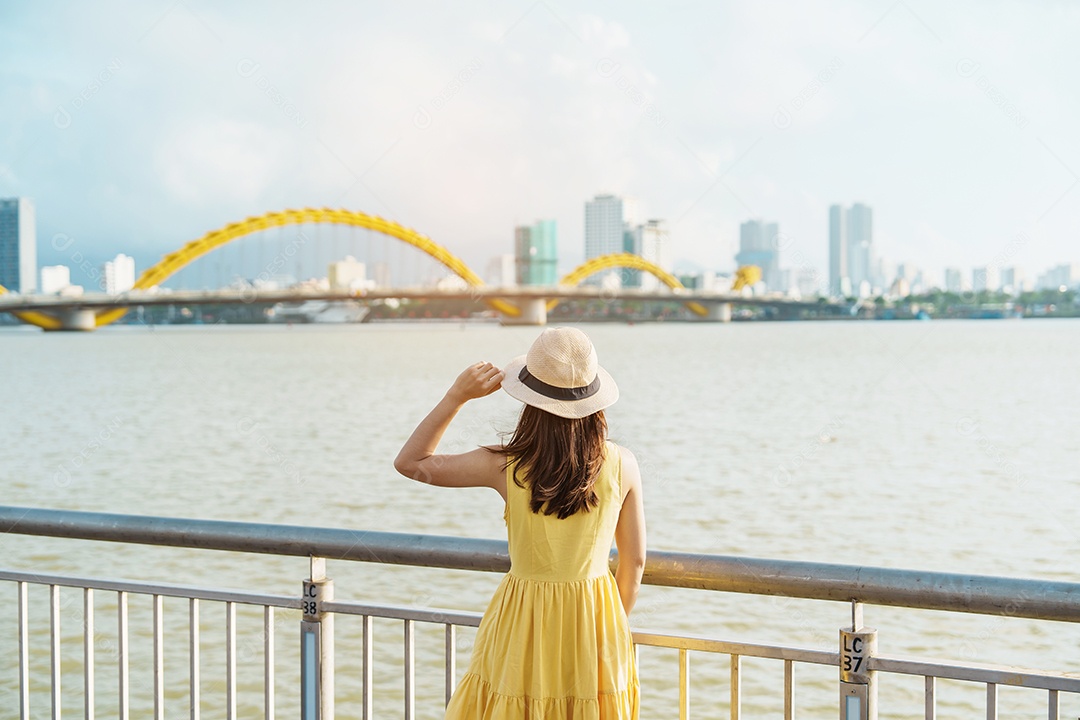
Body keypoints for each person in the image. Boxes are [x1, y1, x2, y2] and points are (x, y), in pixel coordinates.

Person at [394, 326, 646, 719]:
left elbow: (411, 464)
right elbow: (634, 562)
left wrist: (456, 396)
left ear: (531, 401)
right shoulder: (622, 463)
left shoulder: (505, 464)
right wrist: (611, 624)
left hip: (522, 619)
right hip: (596, 622)